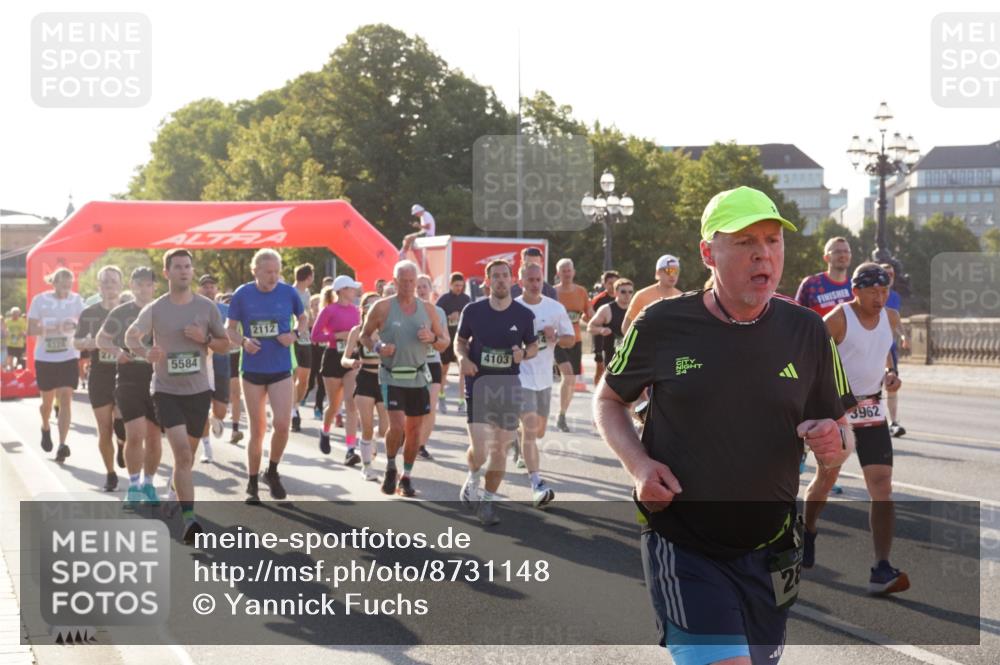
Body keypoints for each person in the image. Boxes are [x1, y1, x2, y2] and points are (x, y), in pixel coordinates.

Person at [595, 186, 855, 664]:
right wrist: (638, 466)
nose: (764, 254)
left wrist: (835, 442)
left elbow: (842, 428)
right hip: (685, 544)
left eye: (773, 240)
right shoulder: (662, 323)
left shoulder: (807, 331)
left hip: (772, 550)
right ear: (707, 252)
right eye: (745, 242)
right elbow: (609, 399)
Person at [803, 263, 909, 594]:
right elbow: (809, 360)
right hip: (838, 412)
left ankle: (881, 567)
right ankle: (807, 530)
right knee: (827, 479)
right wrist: (829, 403)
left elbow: (887, 352)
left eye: (885, 292)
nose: (881, 298)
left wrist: (891, 373)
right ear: (856, 291)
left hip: (873, 409)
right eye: (873, 292)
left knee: (882, 486)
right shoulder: (837, 319)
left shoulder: (891, 318)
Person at [126, 249, 229, 543]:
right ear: (167, 273)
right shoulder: (156, 309)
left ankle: (174, 491)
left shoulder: (207, 307)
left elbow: (224, 345)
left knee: (188, 457)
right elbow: (131, 336)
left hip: (199, 391)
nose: (184, 271)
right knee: (182, 453)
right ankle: (189, 521)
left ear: (192, 272)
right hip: (166, 391)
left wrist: (205, 339)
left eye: (188, 266)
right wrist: (146, 352)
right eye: (178, 267)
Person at [457, 259, 538, 525]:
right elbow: (459, 342)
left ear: (513, 280)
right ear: (487, 280)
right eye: (496, 276)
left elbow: (534, 347)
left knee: (500, 450)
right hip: (479, 385)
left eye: (505, 275)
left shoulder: (524, 315)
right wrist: (463, 359)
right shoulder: (473, 311)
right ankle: (472, 475)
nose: (501, 280)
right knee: (480, 450)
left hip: (508, 386)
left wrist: (523, 353)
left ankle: (488, 503)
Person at [361, 260, 449, 498]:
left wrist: (431, 338)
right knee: (397, 426)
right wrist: (378, 346)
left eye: (413, 281)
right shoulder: (382, 307)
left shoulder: (428, 309)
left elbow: (444, 343)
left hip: (419, 375)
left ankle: (406, 476)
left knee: (415, 430)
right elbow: (364, 336)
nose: (409, 285)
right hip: (391, 375)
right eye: (404, 281)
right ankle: (391, 465)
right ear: (395, 281)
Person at [226, 249, 307, 503]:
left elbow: (304, 319)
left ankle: (271, 471)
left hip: (281, 368)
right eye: (268, 272)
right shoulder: (243, 294)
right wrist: (244, 341)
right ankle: (251, 482)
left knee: (282, 425)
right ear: (256, 271)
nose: (273, 277)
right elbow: (230, 329)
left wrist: (294, 335)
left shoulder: (288, 293)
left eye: (276, 271)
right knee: (257, 430)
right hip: (252, 370)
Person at [98, 267, 163, 507]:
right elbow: (101, 340)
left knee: (155, 437)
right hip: (128, 379)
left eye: (148, 284)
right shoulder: (121, 312)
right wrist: (116, 352)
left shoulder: (164, 309)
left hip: (157, 380)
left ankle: (149, 483)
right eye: (138, 284)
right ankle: (133, 487)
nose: (143, 288)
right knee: (135, 434)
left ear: (154, 286)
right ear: (132, 286)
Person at [515, 262, 573, 508]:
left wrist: (555, 337)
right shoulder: (512, 308)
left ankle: (517, 438)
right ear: (521, 282)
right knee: (530, 431)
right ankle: (536, 483)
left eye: (538, 280)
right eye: (530, 280)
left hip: (544, 379)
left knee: (538, 432)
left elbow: (571, 339)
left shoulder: (555, 308)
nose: (534, 284)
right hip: (519, 378)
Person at [74, 265, 124, 490]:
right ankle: (111, 473)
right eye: (105, 282)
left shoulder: (130, 311)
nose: (109, 285)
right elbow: (76, 342)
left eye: (113, 281)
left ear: (120, 285)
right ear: (99, 286)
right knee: (104, 429)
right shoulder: (89, 313)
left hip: (126, 375)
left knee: (122, 426)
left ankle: (123, 446)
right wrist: (92, 342)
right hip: (100, 375)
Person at [27, 267, 84, 463]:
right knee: (47, 402)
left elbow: (85, 322)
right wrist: (57, 328)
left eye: (69, 284)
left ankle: (62, 444)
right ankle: (45, 426)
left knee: (66, 397)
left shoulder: (76, 300)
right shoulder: (40, 300)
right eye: (62, 284)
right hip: (45, 358)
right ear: (54, 283)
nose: (66, 288)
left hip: (68, 356)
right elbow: (31, 328)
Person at [311, 276, 362, 462]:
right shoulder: (328, 310)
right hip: (333, 358)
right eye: (351, 288)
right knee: (333, 406)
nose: (355, 291)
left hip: (351, 359)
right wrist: (336, 335)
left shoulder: (357, 310)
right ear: (341, 290)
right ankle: (325, 431)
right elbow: (314, 336)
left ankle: (350, 449)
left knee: (351, 403)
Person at [340, 292, 384, 481]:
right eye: (370, 304)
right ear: (364, 309)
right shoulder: (357, 331)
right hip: (365, 378)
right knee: (366, 426)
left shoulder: (387, 329)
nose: (373, 307)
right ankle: (367, 467)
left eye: (377, 304)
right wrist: (351, 363)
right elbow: (344, 358)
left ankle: (373, 438)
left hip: (384, 379)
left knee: (384, 429)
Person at [552, 257, 592, 433]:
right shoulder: (552, 292)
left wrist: (595, 320)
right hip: (559, 340)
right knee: (567, 375)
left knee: (572, 380)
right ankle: (561, 416)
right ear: (558, 273)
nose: (567, 274)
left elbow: (588, 312)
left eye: (569, 270)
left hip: (576, 340)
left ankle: (562, 413)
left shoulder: (581, 291)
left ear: (574, 272)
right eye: (563, 271)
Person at [196, 275, 231, 462]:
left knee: (221, 411)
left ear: (217, 289)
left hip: (221, 361)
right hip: (201, 364)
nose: (209, 289)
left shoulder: (226, 310)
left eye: (212, 286)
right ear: (199, 289)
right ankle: (207, 448)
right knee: (201, 407)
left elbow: (234, 330)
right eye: (205, 287)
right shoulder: (193, 309)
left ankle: (214, 419)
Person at [415, 274, 447, 459]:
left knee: (430, 406)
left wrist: (434, 338)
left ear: (430, 289)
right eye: (418, 287)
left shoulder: (439, 312)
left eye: (424, 286)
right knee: (412, 406)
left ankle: (421, 444)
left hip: (432, 362)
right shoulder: (408, 311)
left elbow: (444, 339)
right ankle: (410, 436)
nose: (421, 290)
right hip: (412, 363)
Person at [435, 272, 471, 414]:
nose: (459, 288)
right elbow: (436, 318)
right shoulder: (443, 300)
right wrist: (449, 317)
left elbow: (471, 318)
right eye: (456, 285)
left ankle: (462, 401)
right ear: (450, 285)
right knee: (443, 371)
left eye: (461, 286)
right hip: (446, 340)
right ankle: (442, 398)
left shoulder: (466, 299)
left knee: (463, 371)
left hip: (461, 341)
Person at [880, 263, 909, 437]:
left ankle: (893, 422)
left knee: (892, 385)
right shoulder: (869, 294)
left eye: (891, 274)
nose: (890, 276)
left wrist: (904, 336)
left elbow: (895, 321)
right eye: (885, 273)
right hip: (870, 347)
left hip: (889, 349)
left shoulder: (895, 296)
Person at [587, 278, 634, 380]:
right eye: (623, 291)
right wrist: (601, 330)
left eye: (630, 292)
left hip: (632, 355)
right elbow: (590, 327)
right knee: (612, 383)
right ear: (615, 292)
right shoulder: (606, 309)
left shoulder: (636, 309)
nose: (627, 294)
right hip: (612, 355)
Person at [622, 254, 682, 333]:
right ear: (658, 272)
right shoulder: (641, 295)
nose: (673, 275)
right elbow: (626, 328)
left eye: (676, 271)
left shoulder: (682, 297)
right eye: (669, 271)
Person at [795, 237, 853, 317]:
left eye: (846, 251)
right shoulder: (811, 284)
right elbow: (795, 317)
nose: (842, 255)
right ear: (826, 257)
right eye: (837, 252)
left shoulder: (855, 286)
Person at [291, 263, 315, 432]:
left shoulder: (307, 293)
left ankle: (296, 404)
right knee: (293, 376)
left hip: (306, 339)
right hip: (293, 338)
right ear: (308, 277)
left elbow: (308, 315)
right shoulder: (290, 292)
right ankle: (294, 412)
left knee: (305, 378)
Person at [588, 270, 620, 385]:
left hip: (617, 339)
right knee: (601, 368)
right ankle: (597, 393)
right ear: (604, 284)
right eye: (610, 283)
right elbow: (585, 317)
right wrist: (599, 325)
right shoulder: (598, 299)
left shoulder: (622, 297)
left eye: (615, 283)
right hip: (601, 339)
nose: (613, 286)